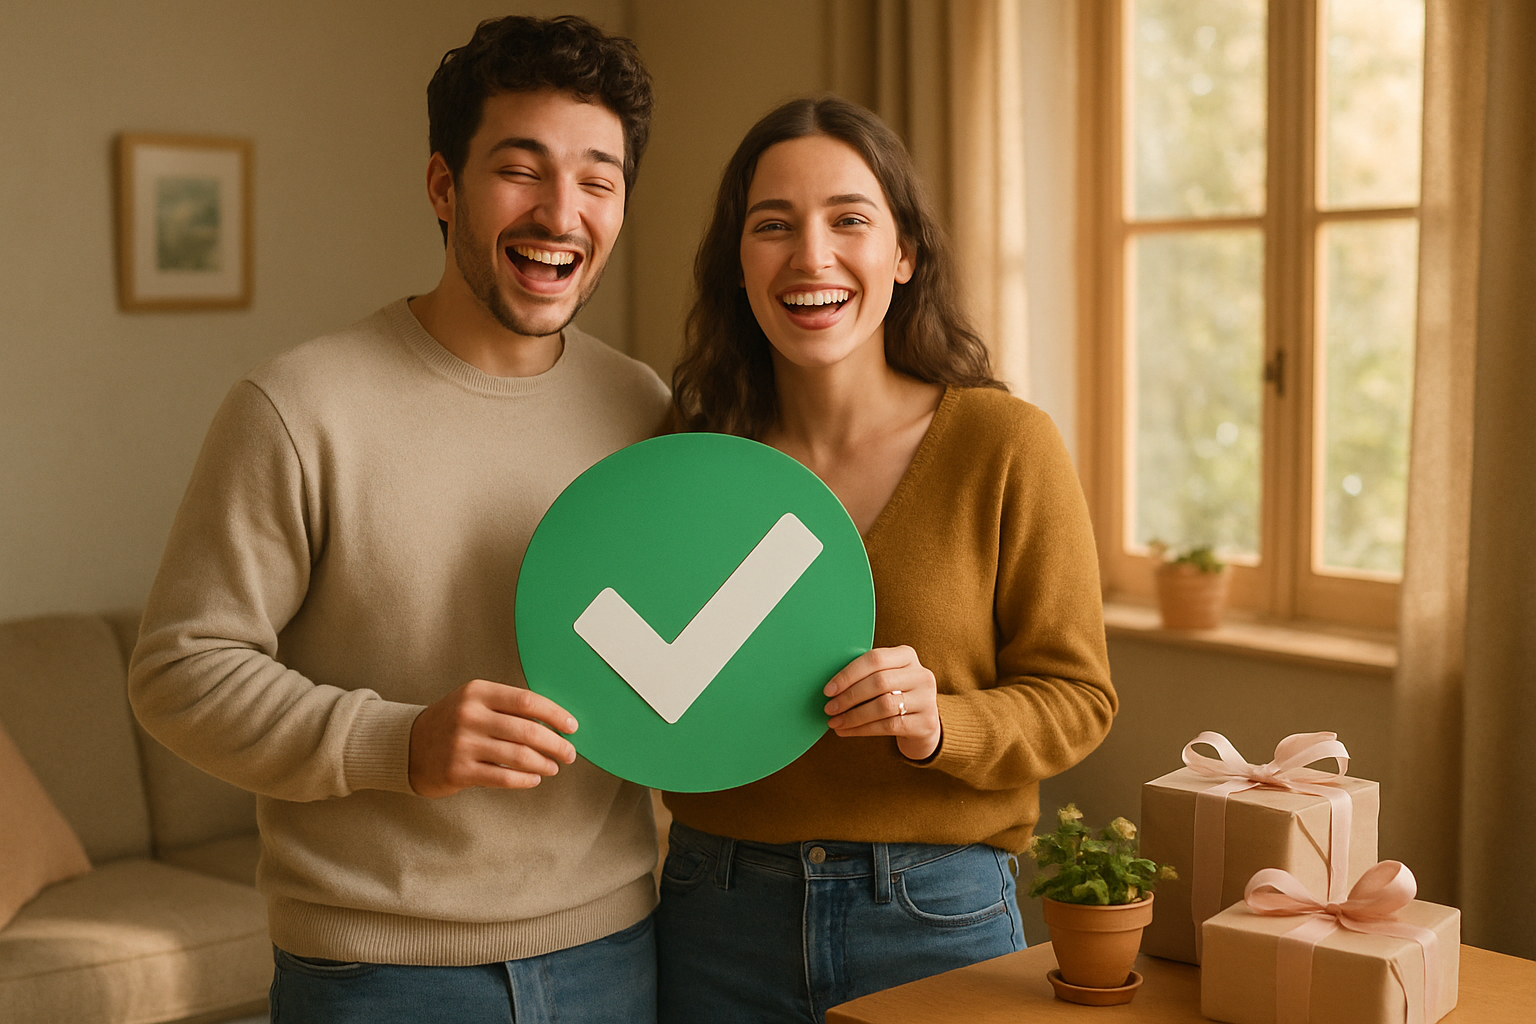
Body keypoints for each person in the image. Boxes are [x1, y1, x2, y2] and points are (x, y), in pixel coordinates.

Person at [128, 16, 668, 1024]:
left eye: (598, 179)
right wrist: (398, 742)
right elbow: (179, 670)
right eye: (523, 169)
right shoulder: (299, 406)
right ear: (441, 186)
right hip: (378, 974)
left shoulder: (646, 412)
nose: (563, 211)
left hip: (617, 952)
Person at [656, 96, 1119, 1023]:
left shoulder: (1003, 443)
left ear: (903, 253)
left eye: (849, 220)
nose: (811, 256)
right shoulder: (693, 459)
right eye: (772, 226)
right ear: (738, 266)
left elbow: (1080, 699)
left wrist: (942, 722)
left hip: (936, 915)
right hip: (716, 911)